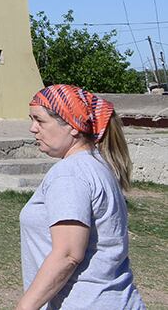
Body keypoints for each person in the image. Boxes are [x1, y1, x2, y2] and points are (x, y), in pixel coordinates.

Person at [17, 84, 145, 310]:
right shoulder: (96, 165)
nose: (33, 128)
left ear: (72, 126)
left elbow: (67, 255)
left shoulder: (70, 174)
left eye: (40, 120)